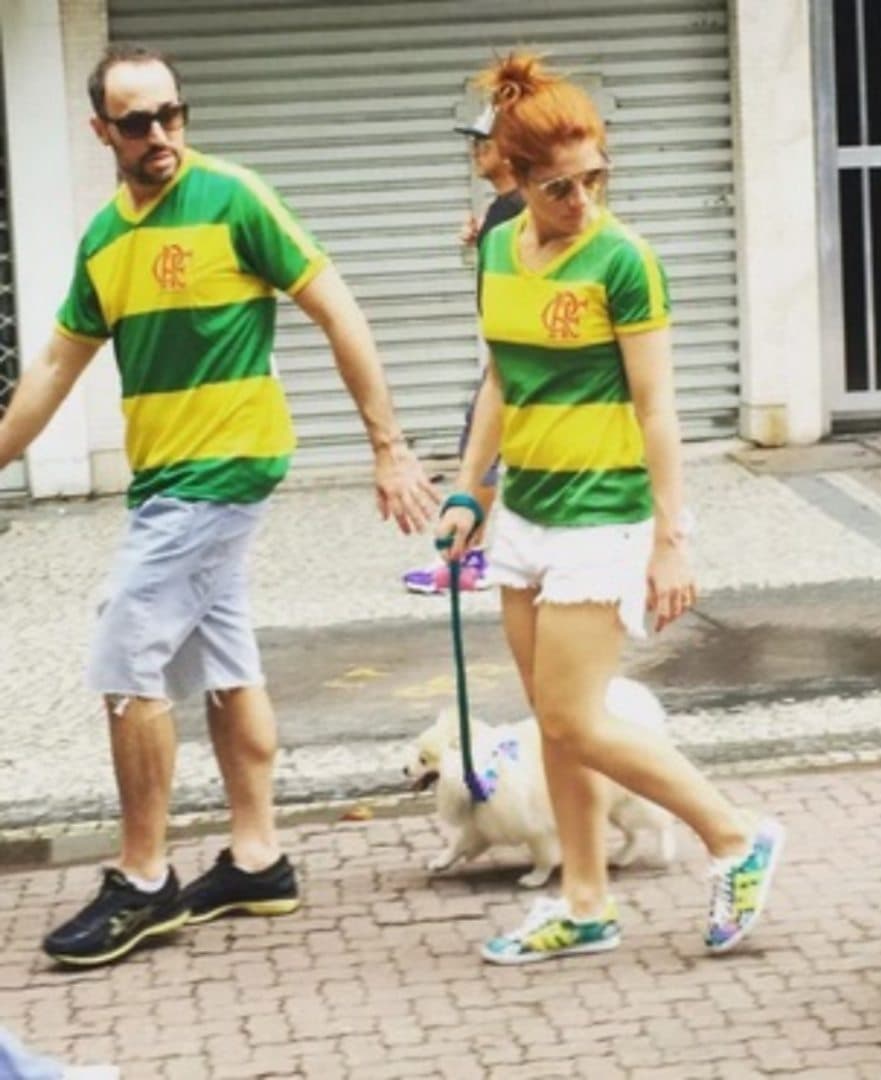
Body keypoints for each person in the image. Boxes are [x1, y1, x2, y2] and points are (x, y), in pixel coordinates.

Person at [0, 44, 438, 967]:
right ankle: (257, 858)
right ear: (101, 132)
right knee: (225, 656)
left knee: (126, 649)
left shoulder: (235, 197)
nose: (159, 136)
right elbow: (50, 369)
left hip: (224, 467)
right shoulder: (105, 242)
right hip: (166, 479)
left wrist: (387, 446)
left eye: (172, 115)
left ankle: (144, 880)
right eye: (136, 123)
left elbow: (338, 308)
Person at [436, 52, 782, 965]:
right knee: (553, 721)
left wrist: (673, 538)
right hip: (525, 519)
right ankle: (584, 903)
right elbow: (500, 387)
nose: (581, 200)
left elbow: (658, 409)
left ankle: (736, 835)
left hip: (604, 514)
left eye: (595, 179)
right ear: (513, 176)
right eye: (559, 186)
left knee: (575, 717)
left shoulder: (626, 262)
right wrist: (470, 490)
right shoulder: (499, 251)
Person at [400, 102, 525, 595]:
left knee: (482, 447)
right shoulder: (506, 211)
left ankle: (465, 558)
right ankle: (472, 554)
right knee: (483, 446)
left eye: (483, 142)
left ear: (511, 151)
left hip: (515, 359)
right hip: (506, 356)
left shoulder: (518, 211)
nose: (475, 151)